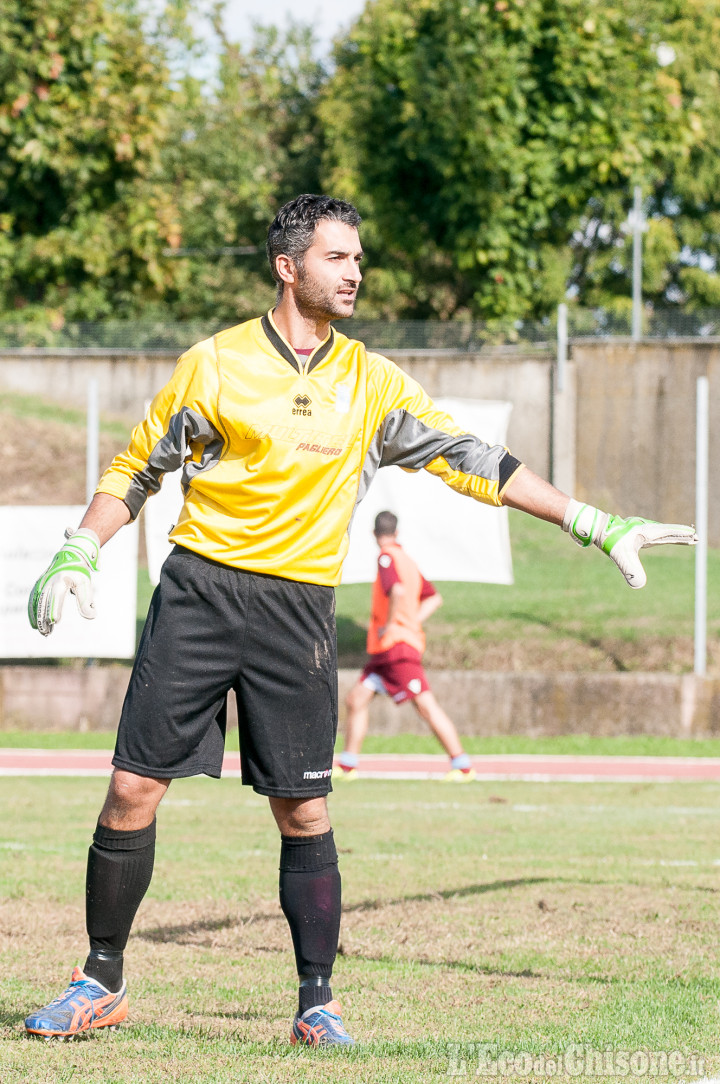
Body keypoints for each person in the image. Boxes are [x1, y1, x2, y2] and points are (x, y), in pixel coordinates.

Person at [24, 193, 697, 1048]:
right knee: (131, 790)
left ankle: (317, 1004)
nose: (356, 272)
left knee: (304, 812)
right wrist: (83, 545)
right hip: (197, 595)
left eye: (357, 258)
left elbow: (472, 461)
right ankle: (100, 981)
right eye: (338, 257)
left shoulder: (372, 383)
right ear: (288, 266)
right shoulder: (216, 364)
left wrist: (593, 521)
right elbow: (136, 465)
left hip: (299, 612)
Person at [338, 510, 476, 781]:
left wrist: (392, 625)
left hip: (396, 647)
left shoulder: (387, 557)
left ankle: (462, 765)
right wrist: (410, 621)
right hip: (386, 651)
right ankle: (347, 766)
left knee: (426, 706)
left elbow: (397, 592)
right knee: (356, 699)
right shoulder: (408, 561)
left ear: (373, 533)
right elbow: (433, 599)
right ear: (397, 532)